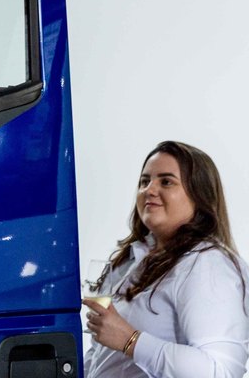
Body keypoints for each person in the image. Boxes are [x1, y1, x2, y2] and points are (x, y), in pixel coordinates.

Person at [82, 141, 248, 378]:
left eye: (166, 182)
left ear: (199, 195)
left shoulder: (207, 266)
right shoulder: (131, 259)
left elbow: (220, 371)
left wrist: (131, 340)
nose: (149, 190)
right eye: (144, 181)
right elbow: (101, 354)